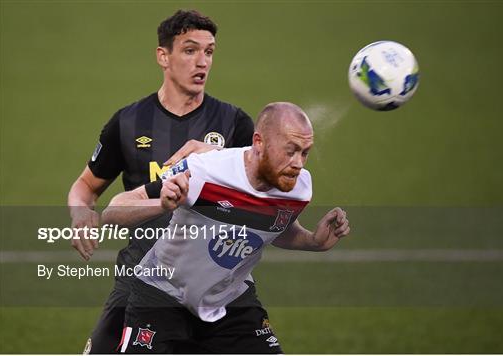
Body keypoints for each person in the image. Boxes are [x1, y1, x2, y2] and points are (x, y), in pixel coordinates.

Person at [67, 9, 255, 354]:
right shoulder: (128, 122)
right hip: (139, 280)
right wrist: (80, 212)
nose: (202, 62)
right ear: (163, 56)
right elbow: (86, 187)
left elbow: (261, 194)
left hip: (212, 285)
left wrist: (215, 162)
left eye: (209, 52)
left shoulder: (234, 124)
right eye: (190, 50)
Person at [102, 102, 351, 353]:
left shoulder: (298, 189)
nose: (298, 163)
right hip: (161, 297)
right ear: (259, 143)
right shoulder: (205, 170)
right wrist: (162, 205)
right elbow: (113, 212)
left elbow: (274, 227)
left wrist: (313, 241)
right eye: (290, 151)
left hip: (230, 303)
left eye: (305, 152)